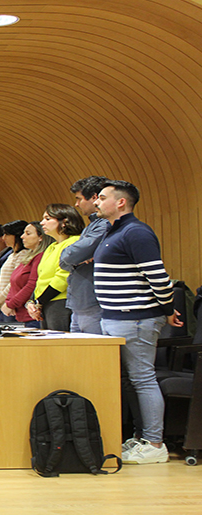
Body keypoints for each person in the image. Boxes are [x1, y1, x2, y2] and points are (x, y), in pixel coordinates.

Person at [94, 180, 181, 464]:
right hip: (114, 317)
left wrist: (167, 308)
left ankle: (155, 443)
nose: (97, 202)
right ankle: (142, 437)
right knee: (132, 382)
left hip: (136, 318)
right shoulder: (113, 231)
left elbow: (157, 276)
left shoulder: (136, 232)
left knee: (143, 379)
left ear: (121, 202)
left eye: (103, 197)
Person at [59, 176, 110, 335]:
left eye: (79, 199)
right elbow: (64, 260)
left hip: (93, 303)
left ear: (94, 198)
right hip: (80, 304)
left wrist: (74, 258)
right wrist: (76, 260)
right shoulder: (92, 225)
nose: (76, 204)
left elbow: (72, 255)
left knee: (96, 358)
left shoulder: (105, 224)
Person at [26, 204, 84, 331]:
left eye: (47, 219)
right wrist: (32, 302)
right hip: (45, 302)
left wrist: (39, 302)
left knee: (58, 345)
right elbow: (41, 278)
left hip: (60, 302)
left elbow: (63, 278)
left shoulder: (74, 242)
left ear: (64, 222)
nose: (42, 223)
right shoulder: (52, 246)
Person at [2, 222, 54, 327]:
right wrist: (8, 302)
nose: (22, 236)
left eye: (28, 233)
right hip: (22, 315)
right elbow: (13, 283)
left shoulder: (40, 257)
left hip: (32, 315)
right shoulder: (29, 257)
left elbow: (31, 285)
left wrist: (11, 304)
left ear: (40, 237)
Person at [0, 220, 28, 322]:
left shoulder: (23, 254)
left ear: (16, 236)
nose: (4, 238)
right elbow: (1, 284)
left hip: (9, 304)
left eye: (7, 234)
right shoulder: (11, 255)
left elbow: (13, 283)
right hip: (1, 303)